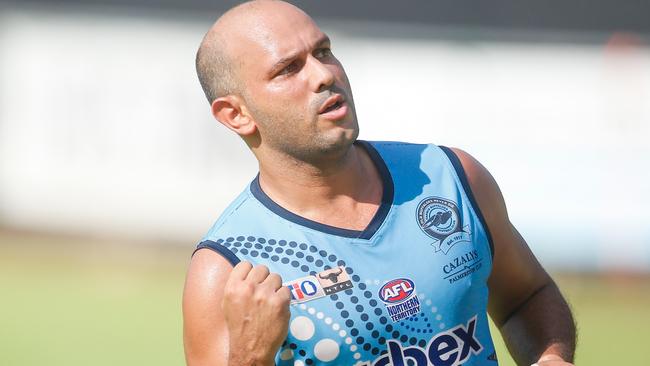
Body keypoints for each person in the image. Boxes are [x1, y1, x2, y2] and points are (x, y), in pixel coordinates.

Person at [182, 1, 577, 365]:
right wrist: (250, 357)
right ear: (236, 114)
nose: (324, 75)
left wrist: (551, 356)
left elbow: (527, 297)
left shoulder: (451, 176)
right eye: (288, 69)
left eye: (323, 52)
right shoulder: (228, 269)